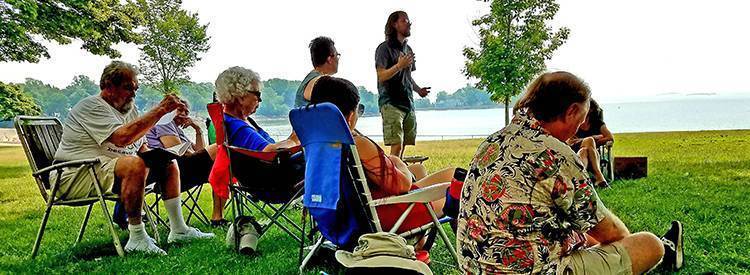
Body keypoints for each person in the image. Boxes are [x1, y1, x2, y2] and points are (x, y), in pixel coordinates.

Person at [456, 72, 683, 274]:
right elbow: (611, 231)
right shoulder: (554, 154)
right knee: (648, 244)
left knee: (583, 234)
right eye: (581, 119)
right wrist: (628, 247)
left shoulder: (494, 140)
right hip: (533, 269)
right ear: (571, 111)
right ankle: (664, 250)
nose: (581, 127)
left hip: (474, 266)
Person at [51, 61, 213, 255]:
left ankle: (179, 229)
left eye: (135, 88)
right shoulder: (91, 106)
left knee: (168, 163)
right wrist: (161, 110)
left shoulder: (130, 111)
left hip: (107, 172)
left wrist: (161, 156)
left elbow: (141, 146)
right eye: (128, 88)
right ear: (108, 85)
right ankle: (136, 237)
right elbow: (122, 138)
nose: (133, 94)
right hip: (76, 175)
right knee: (134, 164)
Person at [310, 76, 453, 252]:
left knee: (427, 169)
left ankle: (418, 245)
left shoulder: (317, 144)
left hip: (345, 219)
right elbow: (402, 185)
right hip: (383, 216)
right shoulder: (357, 144)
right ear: (351, 114)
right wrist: (397, 161)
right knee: (460, 187)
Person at [144, 99, 226, 226]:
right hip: (168, 173)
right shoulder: (164, 122)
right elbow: (178, 151)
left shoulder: (177, 130)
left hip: (180, 171)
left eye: (186, 112)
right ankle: (217, 217)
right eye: (180, 109)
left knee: (221, 165)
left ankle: (218, 218)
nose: (183, 114)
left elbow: (198, 150)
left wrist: (198, 130)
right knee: (219, 149)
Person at [375, 11, 431, 159]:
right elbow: (381, 76)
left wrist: (419, 90)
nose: (409, 23)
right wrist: (399, 66)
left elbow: (408, 77)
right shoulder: (383, 48)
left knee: (405, 143)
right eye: (404, 20)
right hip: (391, 102)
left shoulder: (408, 49)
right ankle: (392, 178)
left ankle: (398, 173)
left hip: (408, 102)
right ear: (394, 24)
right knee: (396, 143)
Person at [567, 99, 614, 187]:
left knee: (585, 150)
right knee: (589, 140)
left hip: (590, 153)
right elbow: (569, 140)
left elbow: (610, 138)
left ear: (591, 109)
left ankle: (582, 180)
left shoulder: (597, 123)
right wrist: (593, 138)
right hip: (574, 150)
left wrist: (592, 139)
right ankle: (599, 177)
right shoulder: (575, 121)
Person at [294, 36, 340, 107]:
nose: (338, 59)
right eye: (337, 55)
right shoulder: (321, 82)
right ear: (329, 59)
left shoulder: (309, 80)